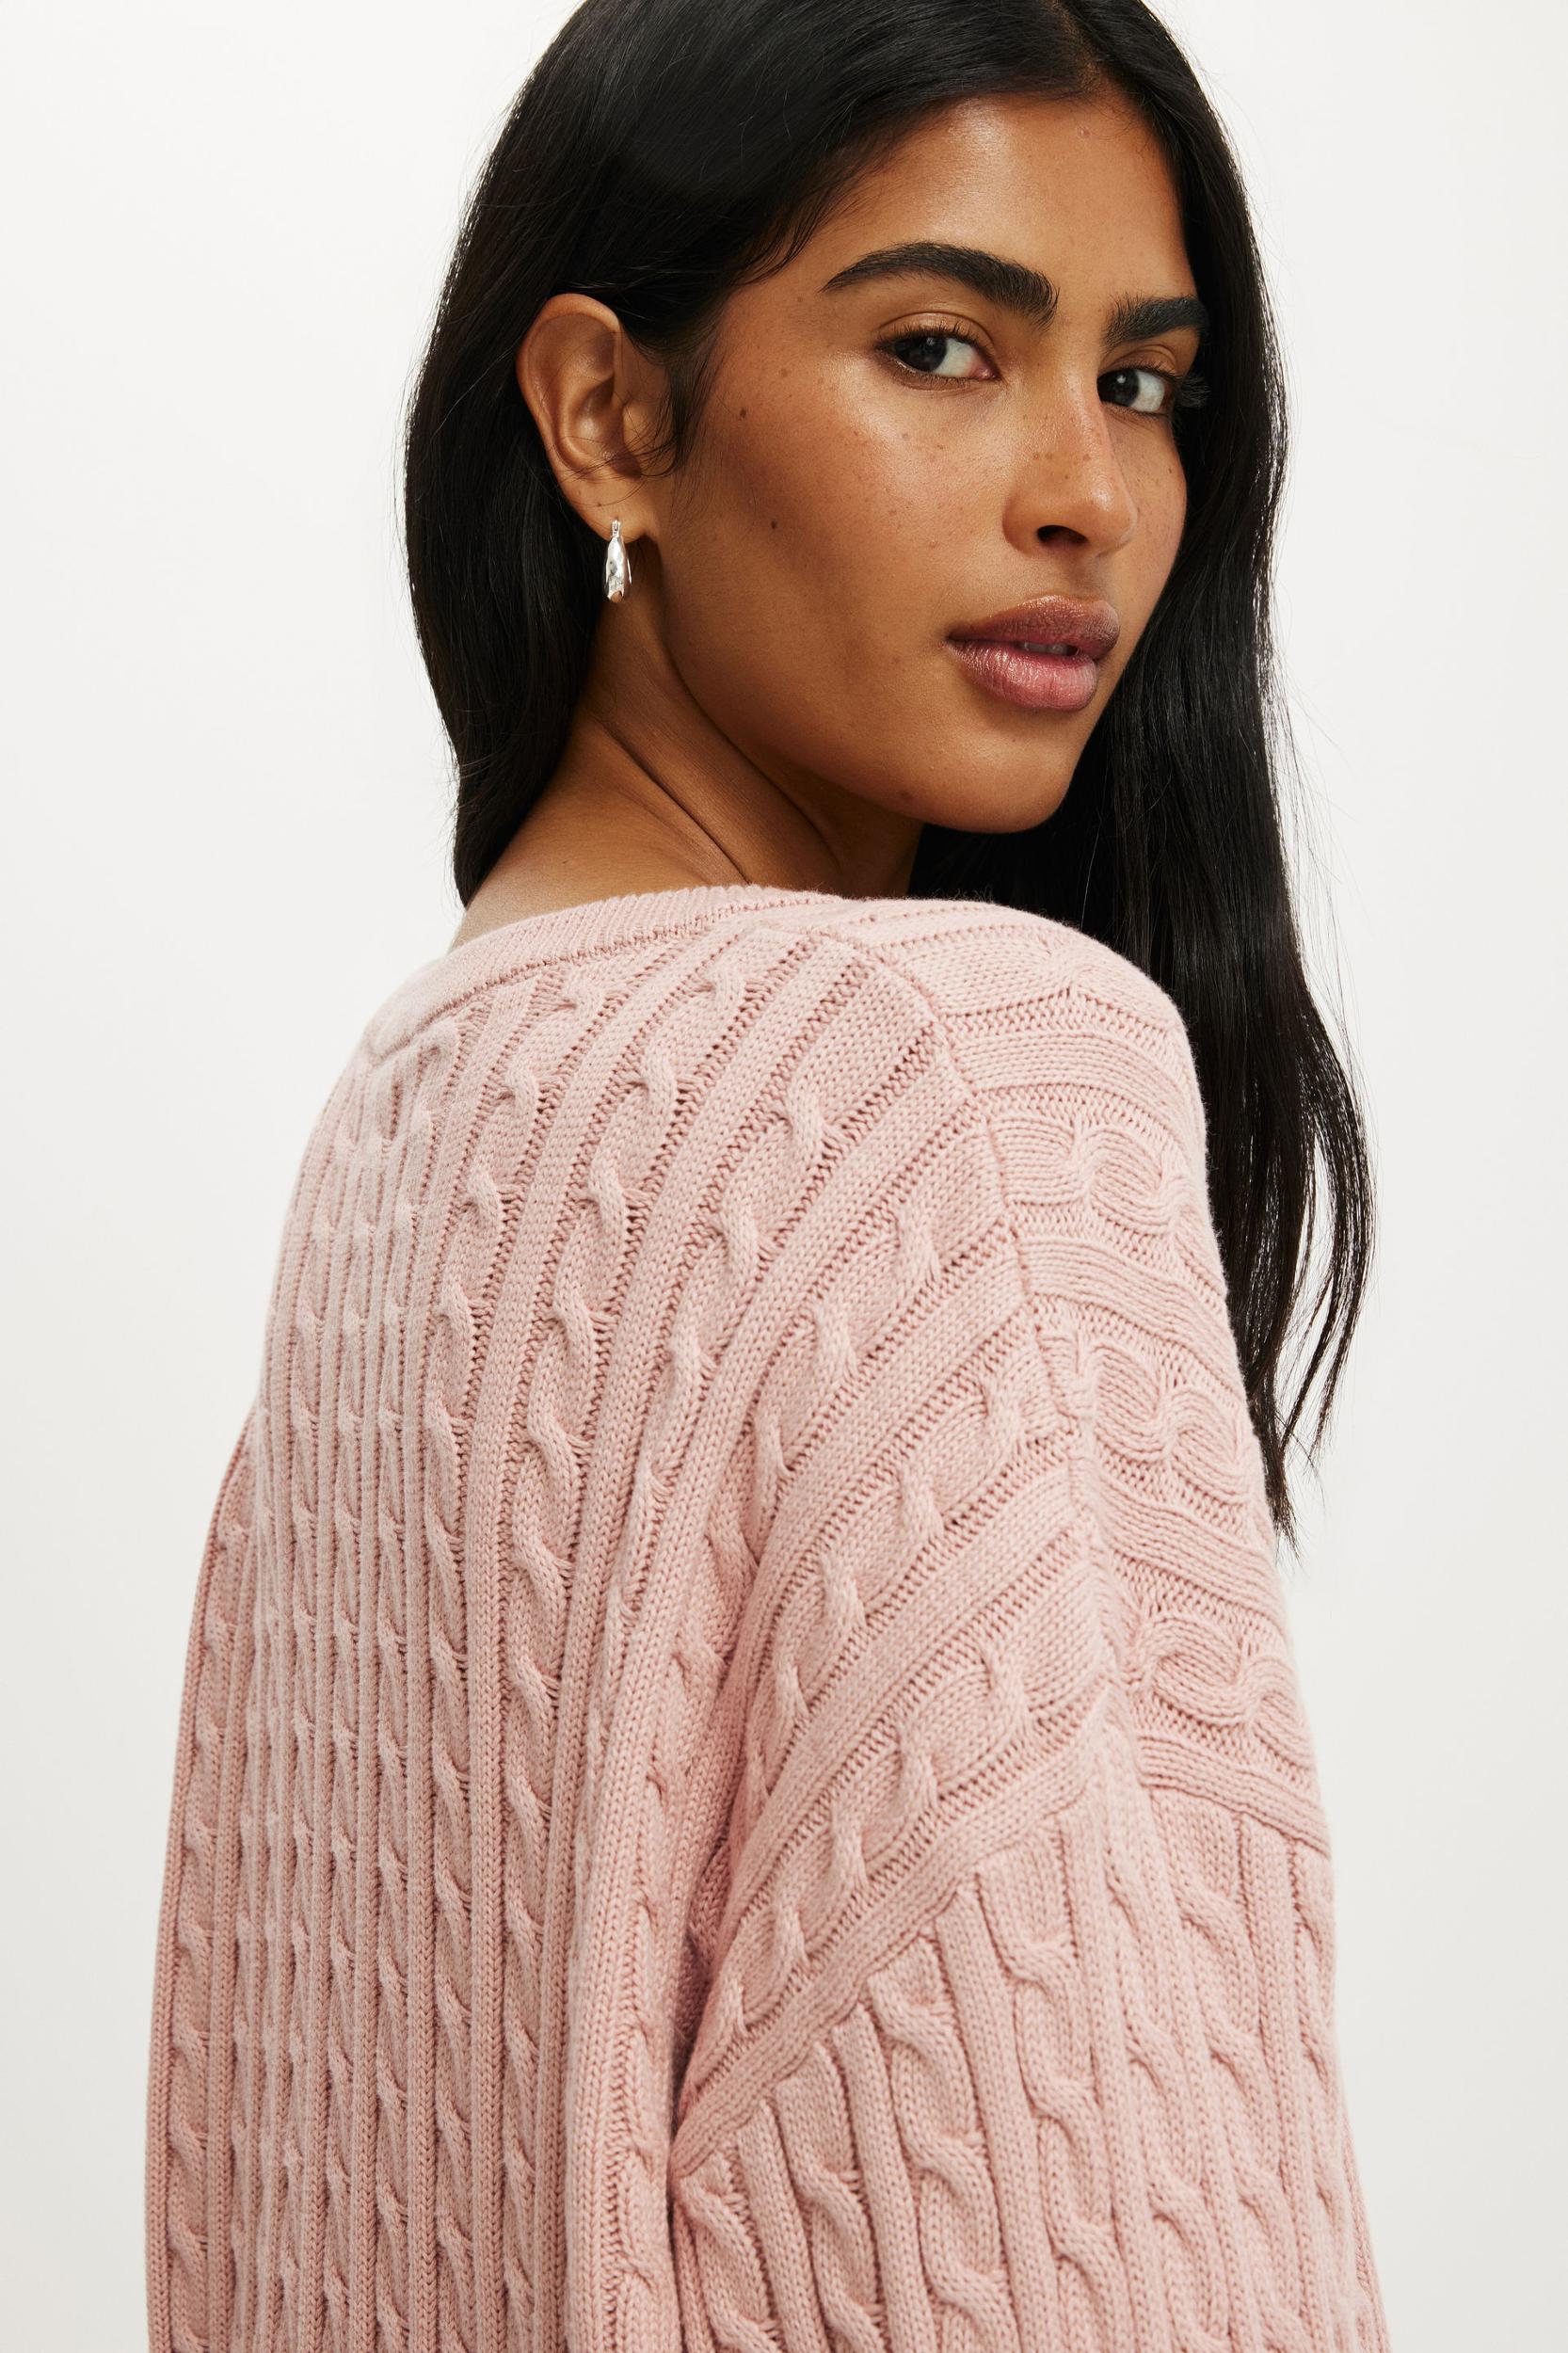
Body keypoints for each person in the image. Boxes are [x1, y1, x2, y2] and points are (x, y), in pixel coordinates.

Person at [144, 1, 1392, 2347]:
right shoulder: (946, 1066)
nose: (1087, 491)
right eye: (938, 347)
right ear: (608, 414)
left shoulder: (408, 1134)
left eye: (1143, 382)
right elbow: (1107, 2237)